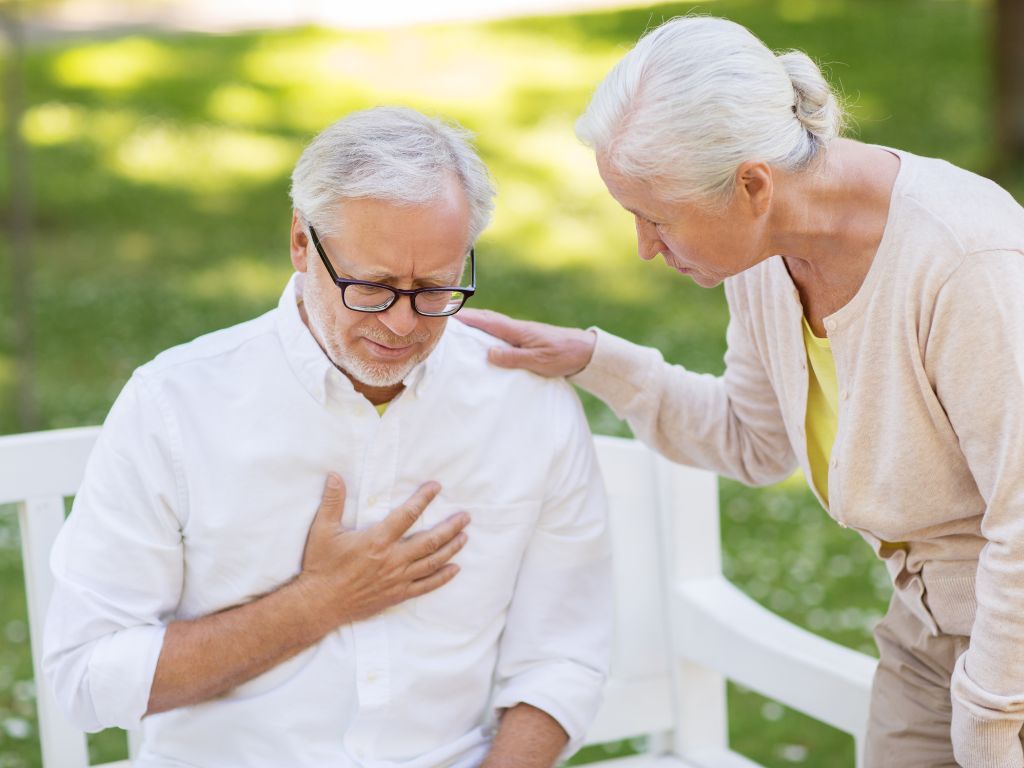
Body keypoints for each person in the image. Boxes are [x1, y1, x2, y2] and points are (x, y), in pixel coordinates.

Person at [459, 15, 1024, 768]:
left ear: (754, 184)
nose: (645, 248)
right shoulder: (769, 257)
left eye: (656, 218)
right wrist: (594, 359)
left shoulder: (966, 262)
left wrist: (990, 724)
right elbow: (752, 440)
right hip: (929, 628)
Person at [43, 106, 611, 768]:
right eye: (371, 287)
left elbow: (562, 658)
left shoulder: (527, 403)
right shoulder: (175, 404)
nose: (402, 324)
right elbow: (84, 678)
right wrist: (314, 605)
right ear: (299, 242)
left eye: (433, 289)